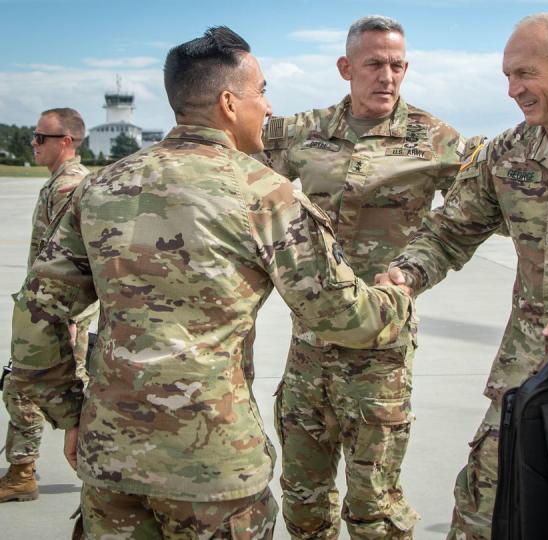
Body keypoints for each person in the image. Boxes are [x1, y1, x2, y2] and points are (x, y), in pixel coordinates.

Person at [8, 26, 414, 538]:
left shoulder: (101, 187)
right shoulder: (264, 194)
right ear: (228, 102)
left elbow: (36, 312)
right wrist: (395, 298)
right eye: (261, 92)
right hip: (215, 470)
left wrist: (70, 414)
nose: (267, 108)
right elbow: (340, 316)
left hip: (110, 457)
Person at [377, 13, 548, 539]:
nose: (512, 90)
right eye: (508, 76)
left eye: (525, 74)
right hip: (528, 370)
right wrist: (404, 276)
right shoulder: (506, 154)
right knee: (486, 509)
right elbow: (449, 231)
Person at [259, 14, 473, 539]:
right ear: (345, 68)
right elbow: (239, 177)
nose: (388, 76)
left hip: (382, 348)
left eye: (398, 65)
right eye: (374, 64)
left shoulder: (435, 139)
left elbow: (491, 199)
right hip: (308, 345)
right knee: (304, 500)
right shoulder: (303, 133)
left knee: (374, 506)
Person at [0, 107, 95, 504]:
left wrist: (65, 320)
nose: (34, 144)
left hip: (56, 314)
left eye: (41, 138)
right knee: (28, 388)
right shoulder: (58, 182)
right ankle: (24, 470)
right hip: (47, 309)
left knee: (26, 388)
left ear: (66, 142)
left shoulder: (68, 187)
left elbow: (72, 260)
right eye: (35, 137)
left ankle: (31, 472)